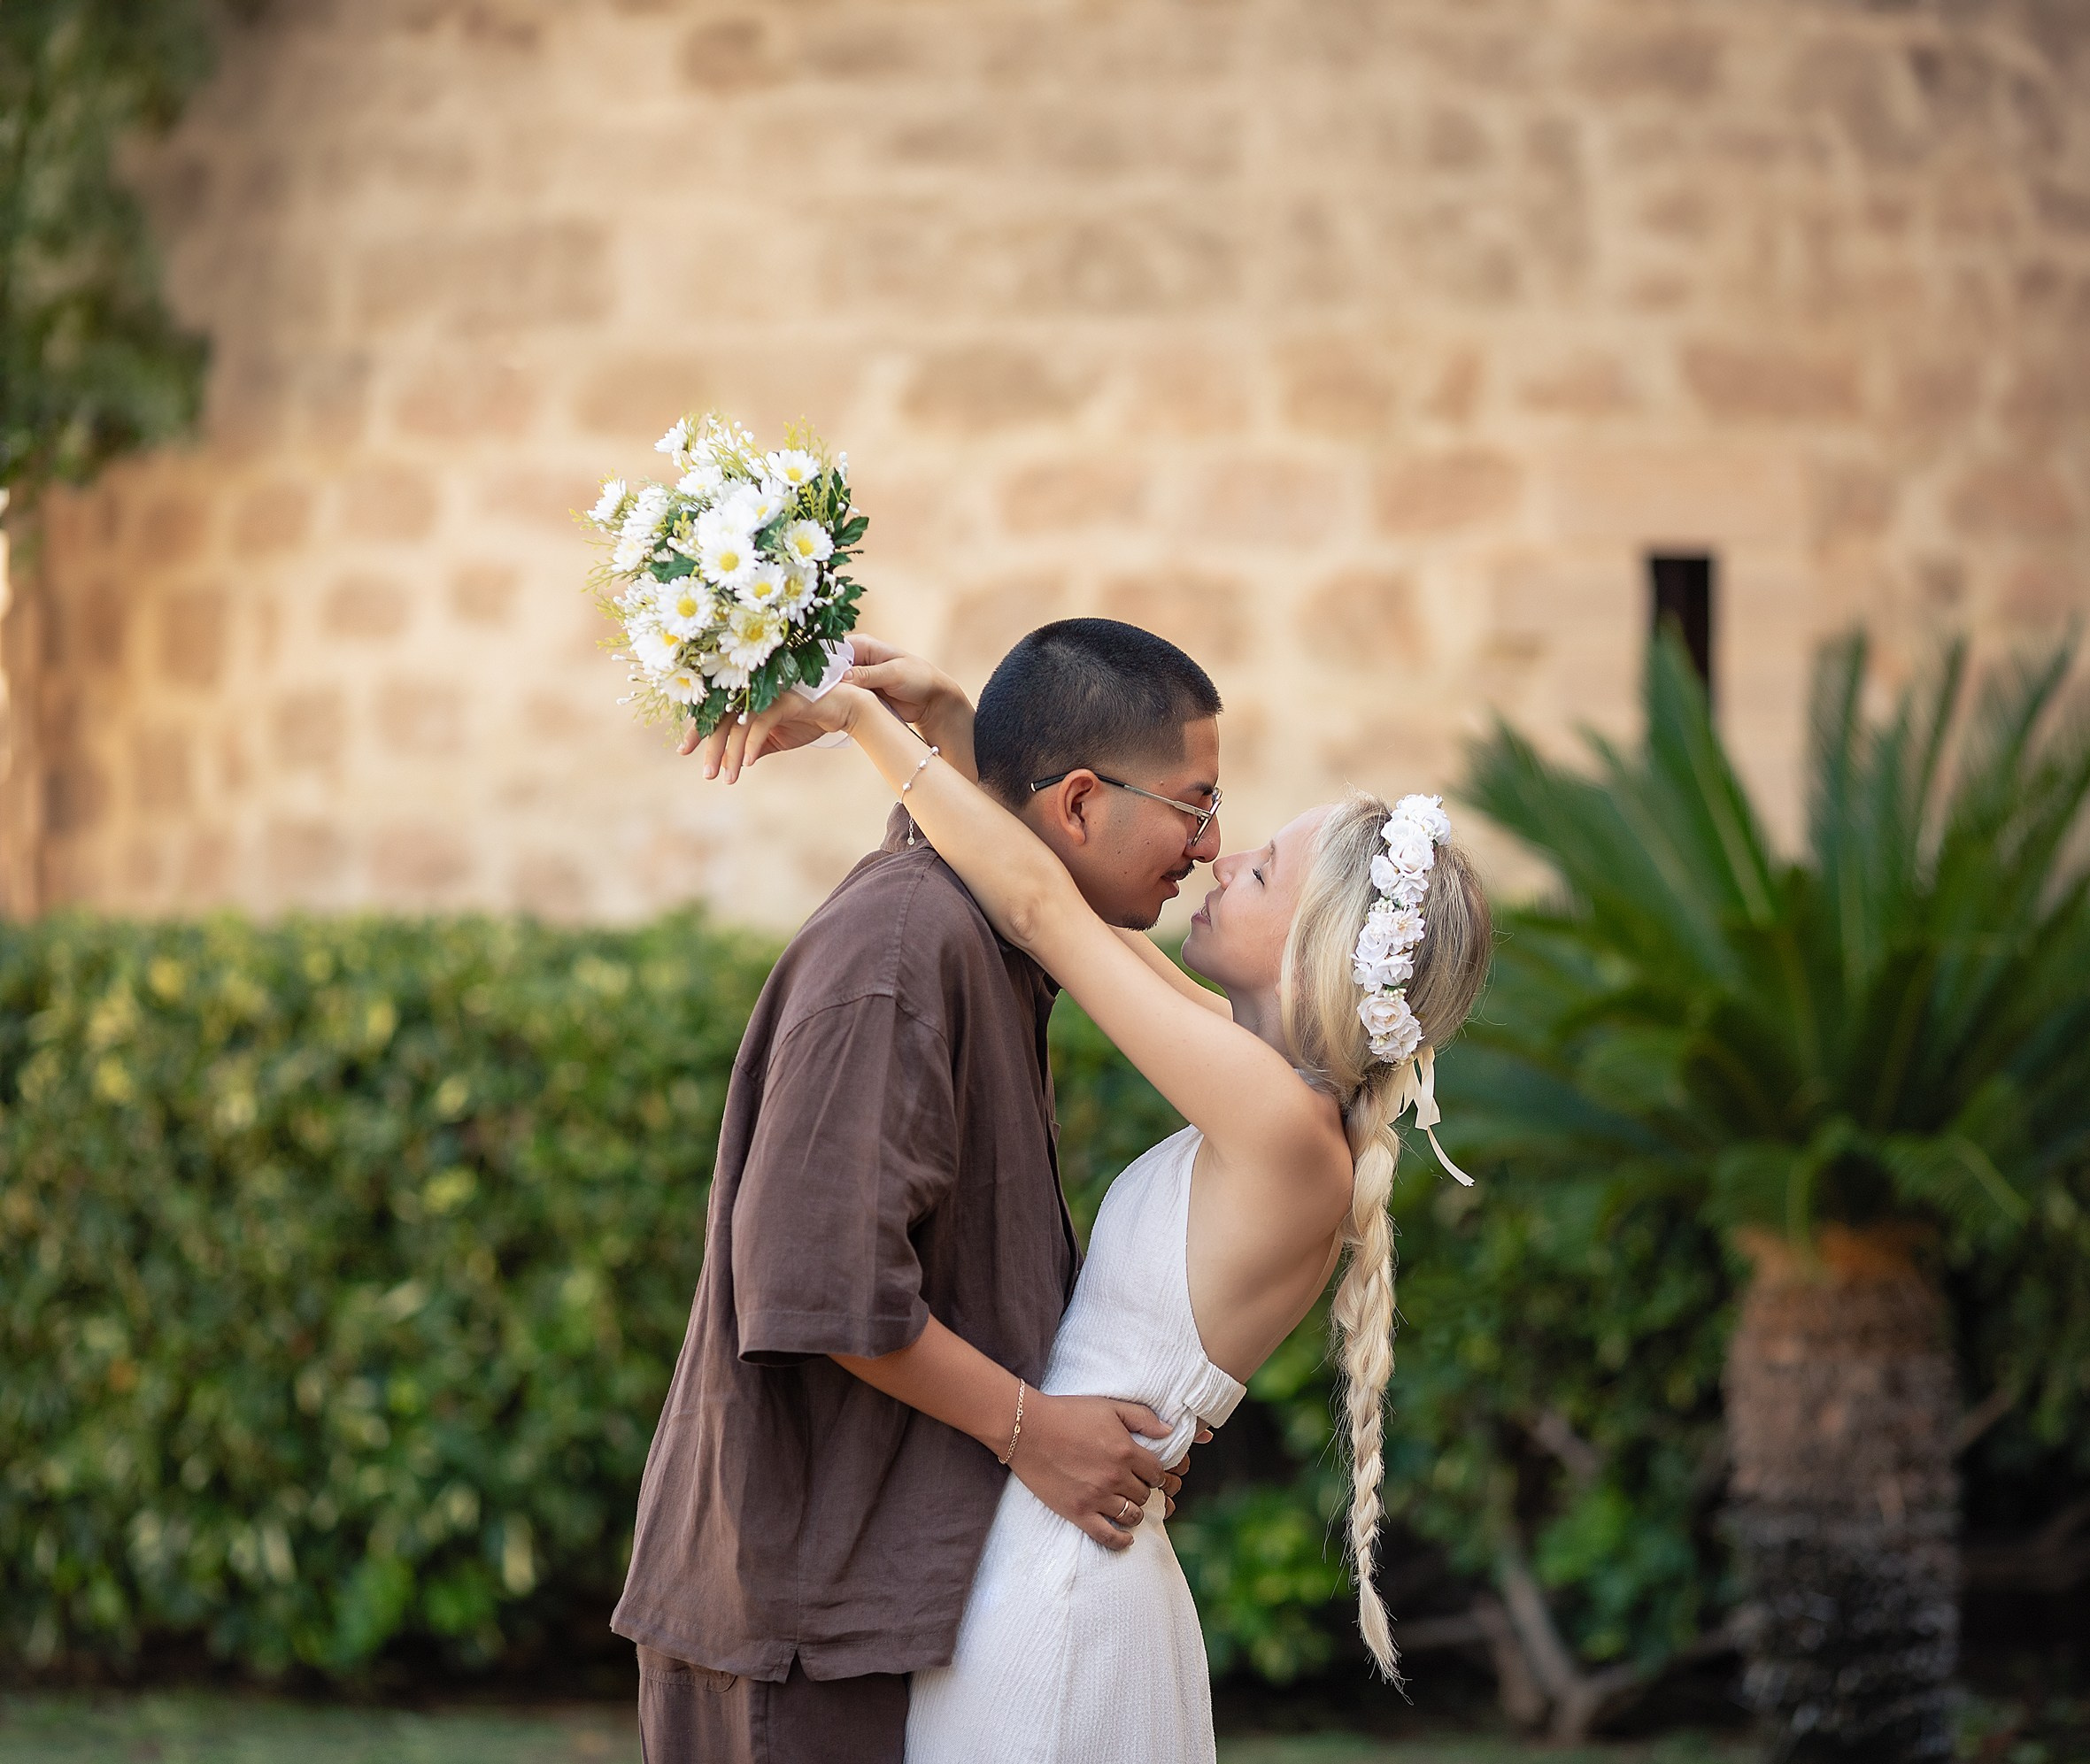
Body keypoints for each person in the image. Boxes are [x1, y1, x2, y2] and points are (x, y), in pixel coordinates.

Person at [698, 636, 1492, 1763]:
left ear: (1313, 952)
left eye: (1260, 872)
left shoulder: (1281, 1128)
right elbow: (1058, 885)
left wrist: (856, 724)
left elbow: (1042, 912)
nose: (1221, 859)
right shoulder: (1266, 1088)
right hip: (1047, 1537)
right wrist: (965, 727)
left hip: (1057, 1567)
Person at [611, 620, 1228, 1764]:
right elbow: (817, 1281)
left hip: (885, 1597)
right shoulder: (904, 941)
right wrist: (1033, 1430)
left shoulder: (997, 936)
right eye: (1196, 806)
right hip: (796, 1610)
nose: (1209, 845)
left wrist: (940, 739)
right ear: (1081, 804)